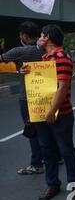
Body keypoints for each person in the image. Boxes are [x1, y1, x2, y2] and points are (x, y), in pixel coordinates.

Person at [21, 24, 75, 200]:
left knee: (66, 150)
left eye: (41, 36)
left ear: (47, 37)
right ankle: (52, 184)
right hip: (42, 114)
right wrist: (25, 72)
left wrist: (52, 111)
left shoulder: (62, 57)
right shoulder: (45, 58)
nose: (39, 39)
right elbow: (41, 83)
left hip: (60, 114)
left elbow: (63, 87)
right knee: (47, 150)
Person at [0, 21, 46, 175]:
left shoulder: (19, 51)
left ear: (25, 36)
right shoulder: (47, 50)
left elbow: (1, 59)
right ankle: (55, 157)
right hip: (47, 96)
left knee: (32, 131)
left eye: (20, 34)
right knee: (47, 128)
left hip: (28, 98)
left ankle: (36, 164)